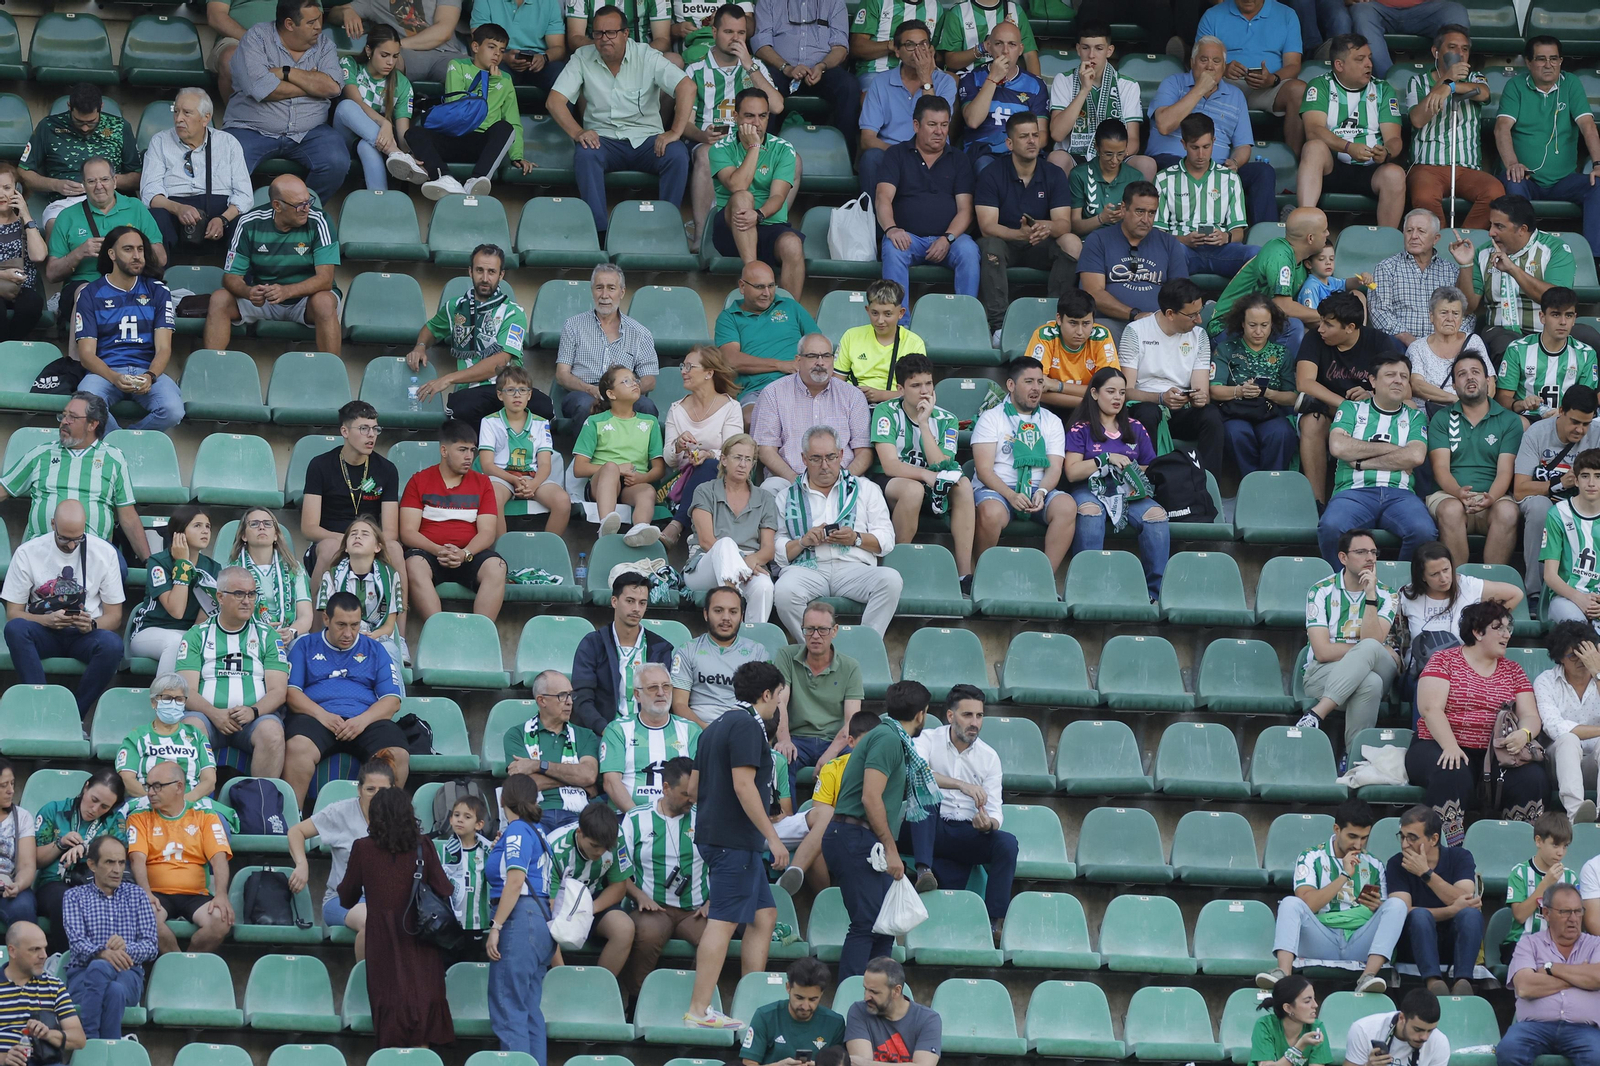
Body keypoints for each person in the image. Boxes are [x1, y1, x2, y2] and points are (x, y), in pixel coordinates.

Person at [686, 660, 790, 1028]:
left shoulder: (715, 726)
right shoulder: (748, 726)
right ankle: (699, 1011)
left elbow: (693, 790)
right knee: (724, 922)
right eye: (778, 696)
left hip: (717, 837)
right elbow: (744, 786)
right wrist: (773, 838)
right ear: (766, 695)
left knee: (764, 916)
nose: (779, 703)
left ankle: (749, 1005)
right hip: (735, 843)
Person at [548, 7, 696, 239]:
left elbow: (687, 86)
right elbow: (555, 101)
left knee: (677, 154)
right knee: (585, 154)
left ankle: (666, 229)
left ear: (626, 33)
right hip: (604, 141)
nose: (604, 39)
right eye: (598, 33)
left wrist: (675, 131)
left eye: (611, 33)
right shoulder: (582, 57)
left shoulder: (646, 55)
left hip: (647, 140)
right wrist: (578, 132)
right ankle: (598, 232)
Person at [1411, 601, 1546, 844]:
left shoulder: (1513, 670)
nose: (1507, 634)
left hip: (1494, 753)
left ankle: (1517, 847)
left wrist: (1524, 733)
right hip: (1438, 744)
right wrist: (1451, 746)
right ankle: (1447, 847)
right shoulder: (1444, 660)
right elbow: (1430, 708)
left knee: (1531, 777)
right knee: (1453, 771)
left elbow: (1531, 715)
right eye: (1499, 628)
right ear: (1477, 632)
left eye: (1508, 628)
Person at [825, 681, 934, 981]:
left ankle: (877, 998)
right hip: (857, 837)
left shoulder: (889, 737)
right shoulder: (887, 739)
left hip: (861, 837)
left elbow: (922, 775)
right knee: (867, 923)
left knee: (885, 926)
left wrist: (962, 785)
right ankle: (850, 1002)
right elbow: (870, 797)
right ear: (922, 715)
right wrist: (891, 848)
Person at [338, 787, 454, 1048]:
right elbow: (444, 888)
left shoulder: (363, 848)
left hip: (384, 939)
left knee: (391, 1010)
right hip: (422, 935)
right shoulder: (423, 845)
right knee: (424, 1016)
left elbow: (346, 897)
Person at [1257, 798, 1403, 993]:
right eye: (1352, 836)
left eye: (1364, 837)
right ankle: (1283, 974)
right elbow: (1307, 902)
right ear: (1336, 829)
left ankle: (1367, 977)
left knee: (1397, 905)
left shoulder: (1374, 864)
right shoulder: (1311, 857)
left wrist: (1377, 907)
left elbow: (1385, 915)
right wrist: (1344, 876)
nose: (1358, 844)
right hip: (1320, 938)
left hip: (1359, 941)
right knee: (1290, 903)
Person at [772, 426, 902, 640]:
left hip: (854, 568)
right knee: (784, 591)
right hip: (808, 569)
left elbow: (886, 540)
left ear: (841, 455)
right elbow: (779, 551)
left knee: (891, 580)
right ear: (803, 459)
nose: (825, 465)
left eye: (831, 457)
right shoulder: (786, 496)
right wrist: (804, 541)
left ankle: (864, 646)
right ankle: (814, 649)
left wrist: (856, 538)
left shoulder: (865, 489)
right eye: (816, 458)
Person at [1, 500, 125, 720]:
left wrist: (92, 624)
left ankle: (72, 717)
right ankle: (42, 709)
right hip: (44, 631)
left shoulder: (104, 553)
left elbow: (114, 616)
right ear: (52, 525)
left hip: (84, 634)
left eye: (77, 539)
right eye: (64, 539)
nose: (71, 546)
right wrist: (46, 621)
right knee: (16, 629)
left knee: (113, 645)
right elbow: (13, 613)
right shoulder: (28, 552)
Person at [284, 591, 409, 806]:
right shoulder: (305, 646)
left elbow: (392, 700)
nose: (349, 633)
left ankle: (386, 823)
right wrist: (323, 716)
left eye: (355, 625)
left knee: (396, 754)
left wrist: (362, 720)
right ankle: (293, 820)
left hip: (364, 719)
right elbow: (291, 693)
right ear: (326, 619)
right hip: (317, 716)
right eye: (341, 625)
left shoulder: (375, 649)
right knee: (298, 747)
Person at [910, 684, 1015, 930]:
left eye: (979, 716)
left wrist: (988, 824)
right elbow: (918, 773)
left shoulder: (989, 757)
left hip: (966, 832)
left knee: (1007, 844)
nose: (975, 723)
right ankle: (923, 870)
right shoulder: (928, 739)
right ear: (950, 716)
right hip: (927, 829)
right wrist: (961, 785)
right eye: (967, 715)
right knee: (927, 795)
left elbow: (996, 810)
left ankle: (993, 923)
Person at [1318, 350, 1437, 566]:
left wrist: (1362, 461)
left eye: (1403, 376)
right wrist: (1394, 449)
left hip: (1400, 495)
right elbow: (1338, 446)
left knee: (1424, 532)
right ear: (1372, 380)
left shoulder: (1415, 416)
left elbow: (1416, 455)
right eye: (1390, 375)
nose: (1398, 381)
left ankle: (1400, 588)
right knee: (1331, 526)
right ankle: (1345, 587)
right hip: (1353, 492)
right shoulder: (1351, 408)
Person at [222, 0, 350, 202]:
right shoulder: (256, 39)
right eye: (311, 23)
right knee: (225, 163)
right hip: (251, 129)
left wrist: (286, 72)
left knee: (337, 161)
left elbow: (332, 87)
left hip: (310, 132)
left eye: (320, 20)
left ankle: (303, 212)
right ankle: (240, 222)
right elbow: (260, 89)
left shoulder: (324, 46)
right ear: (290, 24)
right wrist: (311, 84)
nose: (319, 27)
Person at [0, 394, 150, 566]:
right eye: (64, 415)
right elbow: (3, 489)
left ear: (92, 424)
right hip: (43, 548)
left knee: (120, 569)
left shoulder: (113, 458)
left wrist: (148, 560)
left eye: (72, 417)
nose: (64, 421)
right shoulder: (41, 454)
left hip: (95, 552)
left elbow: (128, 516)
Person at [869, 352, 976, 589]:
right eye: (916, 385)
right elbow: (889, 465)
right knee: (913, 490)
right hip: (891, 481)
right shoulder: (885, 412)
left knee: (964, 486)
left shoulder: (947, 419)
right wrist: (925, 475)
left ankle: (963, 575)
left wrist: (924, 423)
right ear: (901, 389)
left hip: (933, 482)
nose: (924, 391)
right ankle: (895, 566)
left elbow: (943, 465)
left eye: (928, 384)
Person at [685, 5, 786, 253]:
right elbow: (684, 124)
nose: (735, 38)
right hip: (711, 142)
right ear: (714, 31)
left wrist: (749, 64)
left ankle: (772, 226)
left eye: (741, 33)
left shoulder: (756, 68)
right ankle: (700, 237)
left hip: (751, 144)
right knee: (707, 153)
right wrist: (701, 135)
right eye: (729, 31)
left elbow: (777, 106)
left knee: (795, 160)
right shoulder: (695, 69)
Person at [204, 173, 341, 356]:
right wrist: (249, 292)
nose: (307, 209)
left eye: (309, 202)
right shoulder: (249, 223)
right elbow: (230, 277)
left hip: (305, 300)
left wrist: (287, 291)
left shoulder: (319, 220)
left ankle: (332, 374)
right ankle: (210, 370)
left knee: (324, 302)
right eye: (300, 205)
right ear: (277, 205)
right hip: (264, 299)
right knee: (219, 298)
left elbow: (325, 280)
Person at [1451, 196, 1600, 364]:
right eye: (1491, 224)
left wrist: (1513, 270)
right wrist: (1465, 265)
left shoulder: (1555, 249)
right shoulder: (1483, 253)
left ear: (1522, 229)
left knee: (1590, 337)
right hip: (1501, 330)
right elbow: (1468, 307)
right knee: (1508, 346)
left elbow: (1558, 300)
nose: (1491, 232)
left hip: (1550, 329)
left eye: (1499, 226)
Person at [1062, 366, 1169, 598]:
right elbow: (1071, 472)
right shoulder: (1080, 428)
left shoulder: (1136, 427)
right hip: (1089, 489)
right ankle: (1086, 591)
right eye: (1110, 391)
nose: (1117, 398)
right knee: (1090, 512)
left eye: (1121, 393)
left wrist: (1130, 468)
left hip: (1128, 490)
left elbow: (1152, 467)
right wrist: (1106, 459)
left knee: (1157, 516)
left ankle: (1155, 594)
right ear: (1094, 393)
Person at [174, 565, 289, 780]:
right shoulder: (196, 635)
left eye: (252, 594)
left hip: (254, 719)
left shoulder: (269, 636)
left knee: (273, 733)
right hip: (206, 717)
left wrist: (253, 711)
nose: (247, 600)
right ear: (220, 597)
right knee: (191, 729)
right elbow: (186, 690)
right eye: (239, 594)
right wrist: (214, 713)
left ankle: (260, 804)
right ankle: (191, 806)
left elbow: (278, 691)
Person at [1147, 36, 1276, 226]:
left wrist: (1235, 162)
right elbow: (1164, 125)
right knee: (1178, 166)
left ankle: (1265, 241)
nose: (1210, 66)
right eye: (1203, 59)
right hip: (1174, 163)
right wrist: (1199, 89)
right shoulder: (1173, 83)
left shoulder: (1236, 96)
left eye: (1216, 61)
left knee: (1263, 172)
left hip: (1216, 168)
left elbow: (1243, 146)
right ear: (1192, 63)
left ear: (1223, 67)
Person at [413, 245, 544, 430]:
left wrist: (448, 378)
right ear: (470, 271)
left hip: (508, 388)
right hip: (470, 391)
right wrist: (420, 345)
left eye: (491, 272)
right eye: (479, 270)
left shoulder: (514, 312)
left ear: (501, 275)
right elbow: (431, 328)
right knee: (464, 407)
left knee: (544, 407)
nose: (484, 278)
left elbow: (499, 363)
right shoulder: (455, 307)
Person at [975, 111, 1079, 343]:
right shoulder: (991, 174)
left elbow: (1064, 223)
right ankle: (999, 327)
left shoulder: (1053, 174)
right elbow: (987, 226)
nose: (1032, 141)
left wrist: (1044, 228)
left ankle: (1055, 322)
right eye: (1024, 136)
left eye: (1035, 134)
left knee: (1071, 242)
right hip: (1006, 244)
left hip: (1039, 245)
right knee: (990, 245)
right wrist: (1018, 234)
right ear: (1009, 143)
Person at [1496, 37, 1600, 262]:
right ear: (1528, 62)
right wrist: (1513, 163)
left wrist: (1598, 164)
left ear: (1561, 61)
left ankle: (1594, 261)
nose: (1548, 64)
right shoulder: (1515, 86)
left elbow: (1588, 126)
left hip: (1563, 180)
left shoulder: (1570, 83)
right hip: (1527, 178)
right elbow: (1502, 128)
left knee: (1598, 184)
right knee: (1513, 182)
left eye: (1554, 58)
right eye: (1541, 59)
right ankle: (1519, 256)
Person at [1295, 292, 1405, 505]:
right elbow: (1304, 382)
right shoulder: (1314, 339)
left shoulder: (1378, 342)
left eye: (1328, 324)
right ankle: (1316, 503)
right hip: (1329, 411)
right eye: (1321, 321)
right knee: (1310, 422)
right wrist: (1346, 405)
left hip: (1370, 413)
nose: (1320, 329)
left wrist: (1373, 394)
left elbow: (1403, 388)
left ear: (1351, 327)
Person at [70, 225, 181, 433]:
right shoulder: (90, 293)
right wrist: (114, 377)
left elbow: (164, 348)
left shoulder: (158, 290)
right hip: (104, 372)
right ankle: (121, 444)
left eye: (140, 249)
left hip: (146, 371)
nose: (137, 256)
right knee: (86, 405)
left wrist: (150, 376)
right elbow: (86, 354)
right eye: (128, 249)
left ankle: (125, 442)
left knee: (173, 410)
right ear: (111, 254)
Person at [286, 757, 397, 958]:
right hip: (344, 899)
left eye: (384, 791)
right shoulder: (341, 812)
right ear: (360, 790)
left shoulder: (401, 818)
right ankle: (367, 986)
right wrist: (302, 864)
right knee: (374, 923)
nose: (377, 796)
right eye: (370, 789)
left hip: (386, 899)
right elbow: (296, 832)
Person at [972, 355, 1076, 571]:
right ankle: (984, 574)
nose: (1036, 388)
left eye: (1040, 382)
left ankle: (1044, 578)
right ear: (1011, 385)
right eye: (1028, 382)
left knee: (1066, 506)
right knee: (990, 512)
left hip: (1038, 489)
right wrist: (1011, 494)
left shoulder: (1052, 420)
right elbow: (983, 470)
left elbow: (1055, 467)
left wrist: (1043, 491)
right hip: (998, 489)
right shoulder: (991, 418)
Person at [400, 419, 509, 623]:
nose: (469, 457)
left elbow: (487, 532)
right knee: (414, 564)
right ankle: (439, 632)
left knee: (497, 567)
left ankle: (480, 635)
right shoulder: (419, 480)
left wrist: (465, 554)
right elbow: (407, 531)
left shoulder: (482, 482)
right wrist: (437, 550)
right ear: (444, 450)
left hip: (468, 554)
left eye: (472, 450)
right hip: (430, 554)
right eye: (462, 450)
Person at [411, 23, 536, 200]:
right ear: (475, 47)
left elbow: (513, 120)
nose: (497, 54)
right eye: (491, 47)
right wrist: (489, 83)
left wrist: (517, 155)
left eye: (501, 50)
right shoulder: (457, 66)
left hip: (482, 144)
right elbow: (457, 107)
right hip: (454, 135)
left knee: (505, 128)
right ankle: (444, 178)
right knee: (414, 133)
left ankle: (476, 180)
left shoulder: (506, 80)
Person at [1300, 529, 1401, 743]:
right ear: (1343, 557)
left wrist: (1371, 596)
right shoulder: (1320, 591)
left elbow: (1371, 641)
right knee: (1370, 681)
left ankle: (1317, 713)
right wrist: (1373, 649)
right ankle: (1354, 759)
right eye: (1362, 552)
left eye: (1374, 552)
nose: (1370, 558)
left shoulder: (1388, 595)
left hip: (1379, 667)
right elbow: (1323, 652)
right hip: (1323, 674)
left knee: (1370, 648)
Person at [620, 756, 711, 991]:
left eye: (694, 793)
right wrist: (639, 896)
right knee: (647, 937)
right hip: (653, 907)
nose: (691, 799)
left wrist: (713, 900)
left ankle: (694, 1001)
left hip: (695, 910)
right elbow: (617, 870)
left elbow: (722, 865)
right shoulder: (636, 819)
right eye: (685, 794)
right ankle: (638, 1003)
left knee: (713, 940)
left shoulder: (705, 818)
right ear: (666, 788)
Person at [876, 97, 979, 305]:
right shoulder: (896, 154)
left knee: (969, 250)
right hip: (908, 238)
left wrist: (947, 238)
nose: (939, 131)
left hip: (950, 240)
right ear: (916, 125)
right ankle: (899, 327)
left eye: (944, 125)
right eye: (932, 125)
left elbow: (965, 210)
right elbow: (883, 198)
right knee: (892, 247)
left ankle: (965, 321)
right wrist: (892, 229)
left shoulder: (959, 159)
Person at [1296, 34, 1405, 229]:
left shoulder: (1383, 89)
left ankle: (1388, 244)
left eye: (1369, 57)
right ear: (1339, 65)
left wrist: (1386, 151)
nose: (1369, 64)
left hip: (1372, 171)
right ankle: (1305, 225)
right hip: (1332, 167)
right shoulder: (1320, 85)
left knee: (1395, 174)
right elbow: (1313, 130)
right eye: (1360, 59)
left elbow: (1395, 139)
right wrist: (1348, 147)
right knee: (1313, 147)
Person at [44, 158, 166, 331]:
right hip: (85, 285)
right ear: (83, 185)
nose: (98, 186)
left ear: (115, 181)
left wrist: (132, 250)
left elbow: (161, 258)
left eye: (104, 179)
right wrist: (78, 253)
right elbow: (51, 274)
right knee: (85, 293)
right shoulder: (67, 216)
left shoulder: (135, 207)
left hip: (130, 283)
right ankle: (78, 358)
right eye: (91, 181)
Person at [126, 762, 234, 954]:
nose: (150, 792)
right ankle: (176, 963)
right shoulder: (139, 817)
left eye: (158, 786)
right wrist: (146, 894)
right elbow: (137, 859)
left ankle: (191, 961)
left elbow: (219, 859)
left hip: (196, 894)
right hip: (156, 894)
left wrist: (221, 895)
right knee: (143, 916)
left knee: (221, 920)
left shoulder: (205, 816)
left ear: (179, 787)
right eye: (148, 786)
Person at [1120, 278, 1224, 475]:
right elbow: (1126, 392)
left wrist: (1200, 397)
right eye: (1192, 315)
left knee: (1211, 415)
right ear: (1170, 314)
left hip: (1181, 408)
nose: (1199, 320)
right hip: (1145, 407)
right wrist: (1160, 398)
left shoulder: (1199, 336)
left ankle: (1208, 484)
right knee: (1148, 413)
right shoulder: (1136, 332)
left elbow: (1202, 391)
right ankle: (1147, 480)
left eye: (1199, 313)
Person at [1427, 352, 1524, 566]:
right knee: (1451, 510)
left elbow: (1505, 471)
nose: (1470, 377)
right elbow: (1441, 468)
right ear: (1453, 385)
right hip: (1449, 496)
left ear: (1488, 380)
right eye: (1462, 374)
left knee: (1508, 512)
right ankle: (1459, 586)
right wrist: (1458, 493)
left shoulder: (1509, 420)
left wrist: (1491, 496)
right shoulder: (1442, 418)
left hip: (1493, 498)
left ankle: (1492, 587)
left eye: (1475, 372)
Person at [485, 773, 556, 1061]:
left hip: (519, 921)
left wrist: (496, 926)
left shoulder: (517, 831)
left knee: (508, 1008)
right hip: (540, 924)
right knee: (528, 1011)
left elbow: (515, 881)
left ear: (504, 799)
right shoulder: (537, 831)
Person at [301, 401, 403, 596]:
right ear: (345, 431)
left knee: (395, 550)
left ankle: (397, 627)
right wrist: (349, 541)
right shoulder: (320, 465)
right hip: (331, 539)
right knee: (331, 548)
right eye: (364, 429)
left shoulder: (387, 469)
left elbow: (390, 531)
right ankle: (313, 626)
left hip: (371, 541)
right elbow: (309, 527)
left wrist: (367, 543)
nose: (371, 435)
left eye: (375, 429)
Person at [60, 837, 156, 1041]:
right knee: (112, 988)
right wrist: (102, 953)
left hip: (127, 973)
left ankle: (89, 1040)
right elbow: (77, 944)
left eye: (121, 863)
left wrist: (126, 948)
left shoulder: (138, 895)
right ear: (92, 865)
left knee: (107, 975)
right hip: (83, 975)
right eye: (109, 862)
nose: (117, 870)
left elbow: (150, 946)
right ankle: (110, 1044)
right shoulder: (74, 897)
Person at [709, 89, 804, 296]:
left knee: (793, 244)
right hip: (733, 229)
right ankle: (753, 273)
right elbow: (738, 186)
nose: (757, 123)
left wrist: (759, 215)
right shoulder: (720, 148)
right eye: (749, 116)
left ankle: (787, 317)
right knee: (744, 197)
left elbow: (779, 197)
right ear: (735, 117)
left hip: (768, 223)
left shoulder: (783, 149)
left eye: (763, 116)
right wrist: (754, 146)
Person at [1397, 543, 1524, 695]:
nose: (1443, 578)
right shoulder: (1407, 595)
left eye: (1446, 570)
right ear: (1422, 576)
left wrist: (1489, 624)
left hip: (1464, 670)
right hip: (1421, 670)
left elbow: (1515, 594)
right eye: (1434, 574)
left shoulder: (1468, 586)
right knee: (1429, 686)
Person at [1404, 27, 1499, 228]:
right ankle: (1440, 247)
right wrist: (1445, 80)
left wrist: (1452, 86)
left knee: (1494, 192)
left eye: (1464, 49)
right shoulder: (1418, 81)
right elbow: (1417, 119)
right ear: (1435, 52)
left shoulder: (1475, 77)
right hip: (1427, 166)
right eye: (1453, 47)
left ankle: (1463, 243)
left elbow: (1484, 93)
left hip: (1466, 168)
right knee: (1424, 198)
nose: (1460, 54)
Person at [1498, 882, 1600, 1066]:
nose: (1573, 918)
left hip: (1585, 1029)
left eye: (1578, 911)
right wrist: (1580, 977)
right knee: (1508, 1051)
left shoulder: (1595, 944)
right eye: (1565, 912)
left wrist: (1550, 968)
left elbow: (1598, 977)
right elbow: (1525, 987)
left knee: (1597, 1056)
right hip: (1533, 1027)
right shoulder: (1528, 944)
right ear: (1546, 913)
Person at [1386, 804, 1484, 996]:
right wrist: (1451, 910)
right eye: (1402, 837)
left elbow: (1464, 897)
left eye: (1412, 838)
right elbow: (1402, 912)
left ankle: (1463, 981)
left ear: (1434, 839)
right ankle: (1434, 983)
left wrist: (1426, 873)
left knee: (1471, 915)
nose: (1405, 844)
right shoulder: (1396, 864)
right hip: (1414, 942)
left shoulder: (1460, 857)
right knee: (1420, 916)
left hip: (1453, 941)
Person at [753, 335, 873, 490]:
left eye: (826, 356)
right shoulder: (773, 393)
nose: (820, 362)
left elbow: (864, 450)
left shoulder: (852, 395)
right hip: (788, 479)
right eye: (812, 356)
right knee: (770, 489)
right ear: (798, 361)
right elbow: (766, 449)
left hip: (843, 479)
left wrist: (843, 480)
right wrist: (796, 481)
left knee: (871, 491)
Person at [684, 434, 782, 622]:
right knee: (725, 543)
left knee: (764, 586)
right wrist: (740, 561)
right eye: (737, 457)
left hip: (749, 565)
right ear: (723, 460)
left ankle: (752, 642)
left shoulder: (765, 498)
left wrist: (748, 562)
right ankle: (727, 624)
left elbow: (768, 549)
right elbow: (706, 541)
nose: (743, 464)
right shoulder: (705, 490)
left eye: (748, 459)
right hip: (706, 564)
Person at [140, 88, 251, 252]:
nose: (178, 119)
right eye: (176, 112)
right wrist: (178, 209)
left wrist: (223, 219)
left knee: (244, 223)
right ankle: (159, 277)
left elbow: (245, 195)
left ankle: (236, 278)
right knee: (156, 217)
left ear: (206, 118)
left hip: (220, 211)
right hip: (174, 209)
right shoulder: (160, 141)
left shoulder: (228, 143)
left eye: (187, 113)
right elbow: (149, 192)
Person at [1211, 205, 1331, 355]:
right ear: (1310, 238)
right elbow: (1283, 306)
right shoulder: (1279, 254)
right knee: (1293, 326)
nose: (1328, 233)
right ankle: (1274, 377)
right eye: (1324, 230)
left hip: (1259, 326)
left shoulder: (1304, 262)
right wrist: (1328, 316)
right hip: (1226, 328)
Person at [1516, 387, 1600, 599]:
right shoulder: (1537, 433)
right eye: (1575, 422)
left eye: (1586, 424)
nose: (1580, 430)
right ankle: (1535, 592)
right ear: (1561, 410)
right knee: (1539, 508)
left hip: (1584, 505)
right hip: (1545, 501)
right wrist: (1559, 483)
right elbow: (1520, 488)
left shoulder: (1597, 435)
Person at [856, 19, 955, 199]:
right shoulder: (881, 82)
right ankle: (872, 223)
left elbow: (935, 123)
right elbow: (867, 140)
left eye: (923, 44)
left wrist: (926, 79)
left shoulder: (945, 82)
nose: (918, 51)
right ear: (897, 50)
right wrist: (902, 155)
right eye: (910, 45)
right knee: (871, 158)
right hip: (891, 153)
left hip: (933, 154)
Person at [19, 83, 140, 231]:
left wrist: (104, 181)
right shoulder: (48, 126)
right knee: (57, 226)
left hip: (110, 200)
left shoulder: (119, 127)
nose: (84, 128)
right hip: (65, 201)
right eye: (79, 121)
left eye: (91, 122)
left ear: (101, 107)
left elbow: (137, 177)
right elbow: (24, 172)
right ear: (69, 106)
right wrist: (55, 185)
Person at [572, 572, 678, 734]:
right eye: (630, 601)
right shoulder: (592, 644)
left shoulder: (660, 648)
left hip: (649, 733)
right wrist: (605, 730)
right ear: (614, 601)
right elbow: (582, 698)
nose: (636, 609)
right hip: (603, 733)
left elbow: (664, 699)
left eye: (642, 603)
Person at [574, 364, 668, 545]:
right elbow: (579, 468)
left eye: (635, 380)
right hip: (601, 484)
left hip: (632, 485)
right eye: (626, 381)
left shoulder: (650, 422)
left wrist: (643, 477)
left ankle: (639, 531)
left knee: (648, 491)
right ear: (611, 394)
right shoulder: (595, 422)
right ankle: (606, 525)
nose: (634, 384)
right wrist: (617, 468)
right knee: (610, 467)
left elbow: (658, 468)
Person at [1045, 26, 1156, 179]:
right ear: (1078, 49)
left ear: (1109, 51)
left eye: (1098, 48)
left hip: (1115, 157)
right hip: (1075, 155)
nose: (1091, 55)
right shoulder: (1063, 80)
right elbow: (1057, 134)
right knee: (1056, 159)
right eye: (1085, 48)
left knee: (1146, 164)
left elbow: (1133, 139)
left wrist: (1112, 157)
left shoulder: (1127, 85)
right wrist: (1084, 90)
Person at [33, 771, 124, 955]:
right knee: (65, 899)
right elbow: (36, 860)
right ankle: (66, 959)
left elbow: (119, 854)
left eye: (104, 807)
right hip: (53, 883)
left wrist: (87, 847)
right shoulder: (54, 810)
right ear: (85, 787)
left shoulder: (115, 820)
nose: (95, 809)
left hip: (93, 881)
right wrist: (60, 843)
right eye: (93, 799)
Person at [1197, 0, 1307, 153]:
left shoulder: (1286, 14)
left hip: (1269, 87)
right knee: (1206, 86)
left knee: (1299, 90)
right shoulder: (1213, 15)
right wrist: (1223, 68)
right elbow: (1198, 62)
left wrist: (1273, 78)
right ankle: (1214, 157)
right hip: (1227, 84)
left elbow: (1293, 64)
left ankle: (1291, 163)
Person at [1154, 114, 1256, 278]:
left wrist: (1225, 237)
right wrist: (1182, 239)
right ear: (1184, 144)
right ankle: (1182, 302)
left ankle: (1234, 303)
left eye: (1206, 146)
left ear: (1214, 141)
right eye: (1195, 148)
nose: (1201, 154)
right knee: (1170, 253)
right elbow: (1157, 233)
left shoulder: (1229, 178)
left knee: (1256, 254)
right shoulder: (1164, 179)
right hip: (1183, 250)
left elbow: (1238, 232)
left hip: (1222, 250)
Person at [774, 600, 863, 787]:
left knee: (857, 760)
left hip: (835, 740)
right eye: (809, 629)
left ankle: (841, 816)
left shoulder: (850, 666)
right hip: (797, 738)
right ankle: (786, 815)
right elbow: (779, 700)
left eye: (823, 629)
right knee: (779, 759)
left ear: (835, 630)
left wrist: (829, 755)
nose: (815, 636)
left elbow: (852, 721)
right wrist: (784, 740)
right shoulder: (786, 656)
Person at [662, 345, 744, 548]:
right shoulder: (676, 409)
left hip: (720, 479)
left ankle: (677, 524)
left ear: (709, 373)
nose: (683, 371)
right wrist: (679, 446)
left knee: (709, 465)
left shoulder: (731, 408)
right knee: (704, 467)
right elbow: (669, 460)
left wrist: (709, 454)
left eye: (690, 366)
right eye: (683, 366)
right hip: (681, 482)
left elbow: (734, 452)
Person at [555, 264, 659, 422]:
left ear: (622, 292)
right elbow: (562, 375)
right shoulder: (573, 325)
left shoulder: (640, 332)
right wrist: (590, 389)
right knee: (584, 406)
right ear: (592, 291)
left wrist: (624, 391)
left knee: (647, 407)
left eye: (611, 288)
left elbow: (649, 380)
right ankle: (584, 448)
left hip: (624, 392)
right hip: (585, 392)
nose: (604, 295)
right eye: (599, 288)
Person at [1079, 181, 1188, 331]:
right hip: (1109, 324)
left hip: (1158, 327)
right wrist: (1135, 314)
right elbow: (1093, 293)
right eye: (1139, 211)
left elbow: (1180, 294)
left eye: (1151, 213)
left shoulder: (1169, 243)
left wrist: (1159, 321)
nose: (1146, 220)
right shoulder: (1098, 240)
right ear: (1124, 208)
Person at [545, 802, 637, 979]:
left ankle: (597, 988)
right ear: (579, 833)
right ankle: (562, 979)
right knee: (546, 927)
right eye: (595, 846)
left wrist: (586, 910)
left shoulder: (616, 837)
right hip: (558, 904)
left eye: (606, 847)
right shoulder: (554, 848)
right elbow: (548, 908)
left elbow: (619, 887)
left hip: (593, 899)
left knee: (624, 928)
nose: (601, 852)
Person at [1211, 293, 1299, 475]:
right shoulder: (1226, 349)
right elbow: (1214, 390)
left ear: (1272, 324)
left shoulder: (1282, 353)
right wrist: (1240, 391)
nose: (1258, 331)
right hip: (1235, 413)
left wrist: (1267, 393)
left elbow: (1292, 397)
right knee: (1236, 434)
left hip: (1270, 412)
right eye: (1252, 325)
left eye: (1264, 325)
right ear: (1242, 323)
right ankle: (1250, 482)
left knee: (1281, 433)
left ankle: (1272, 484)